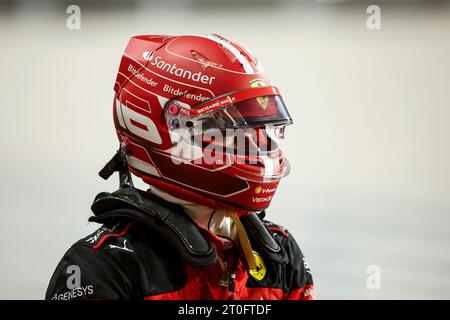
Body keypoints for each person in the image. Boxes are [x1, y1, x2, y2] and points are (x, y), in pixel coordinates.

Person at [46, 34, 314, 300]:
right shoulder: (102, 266)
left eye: (256, 128)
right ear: (168, 128)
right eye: (231, 129)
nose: (254, 145)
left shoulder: (281, 252)